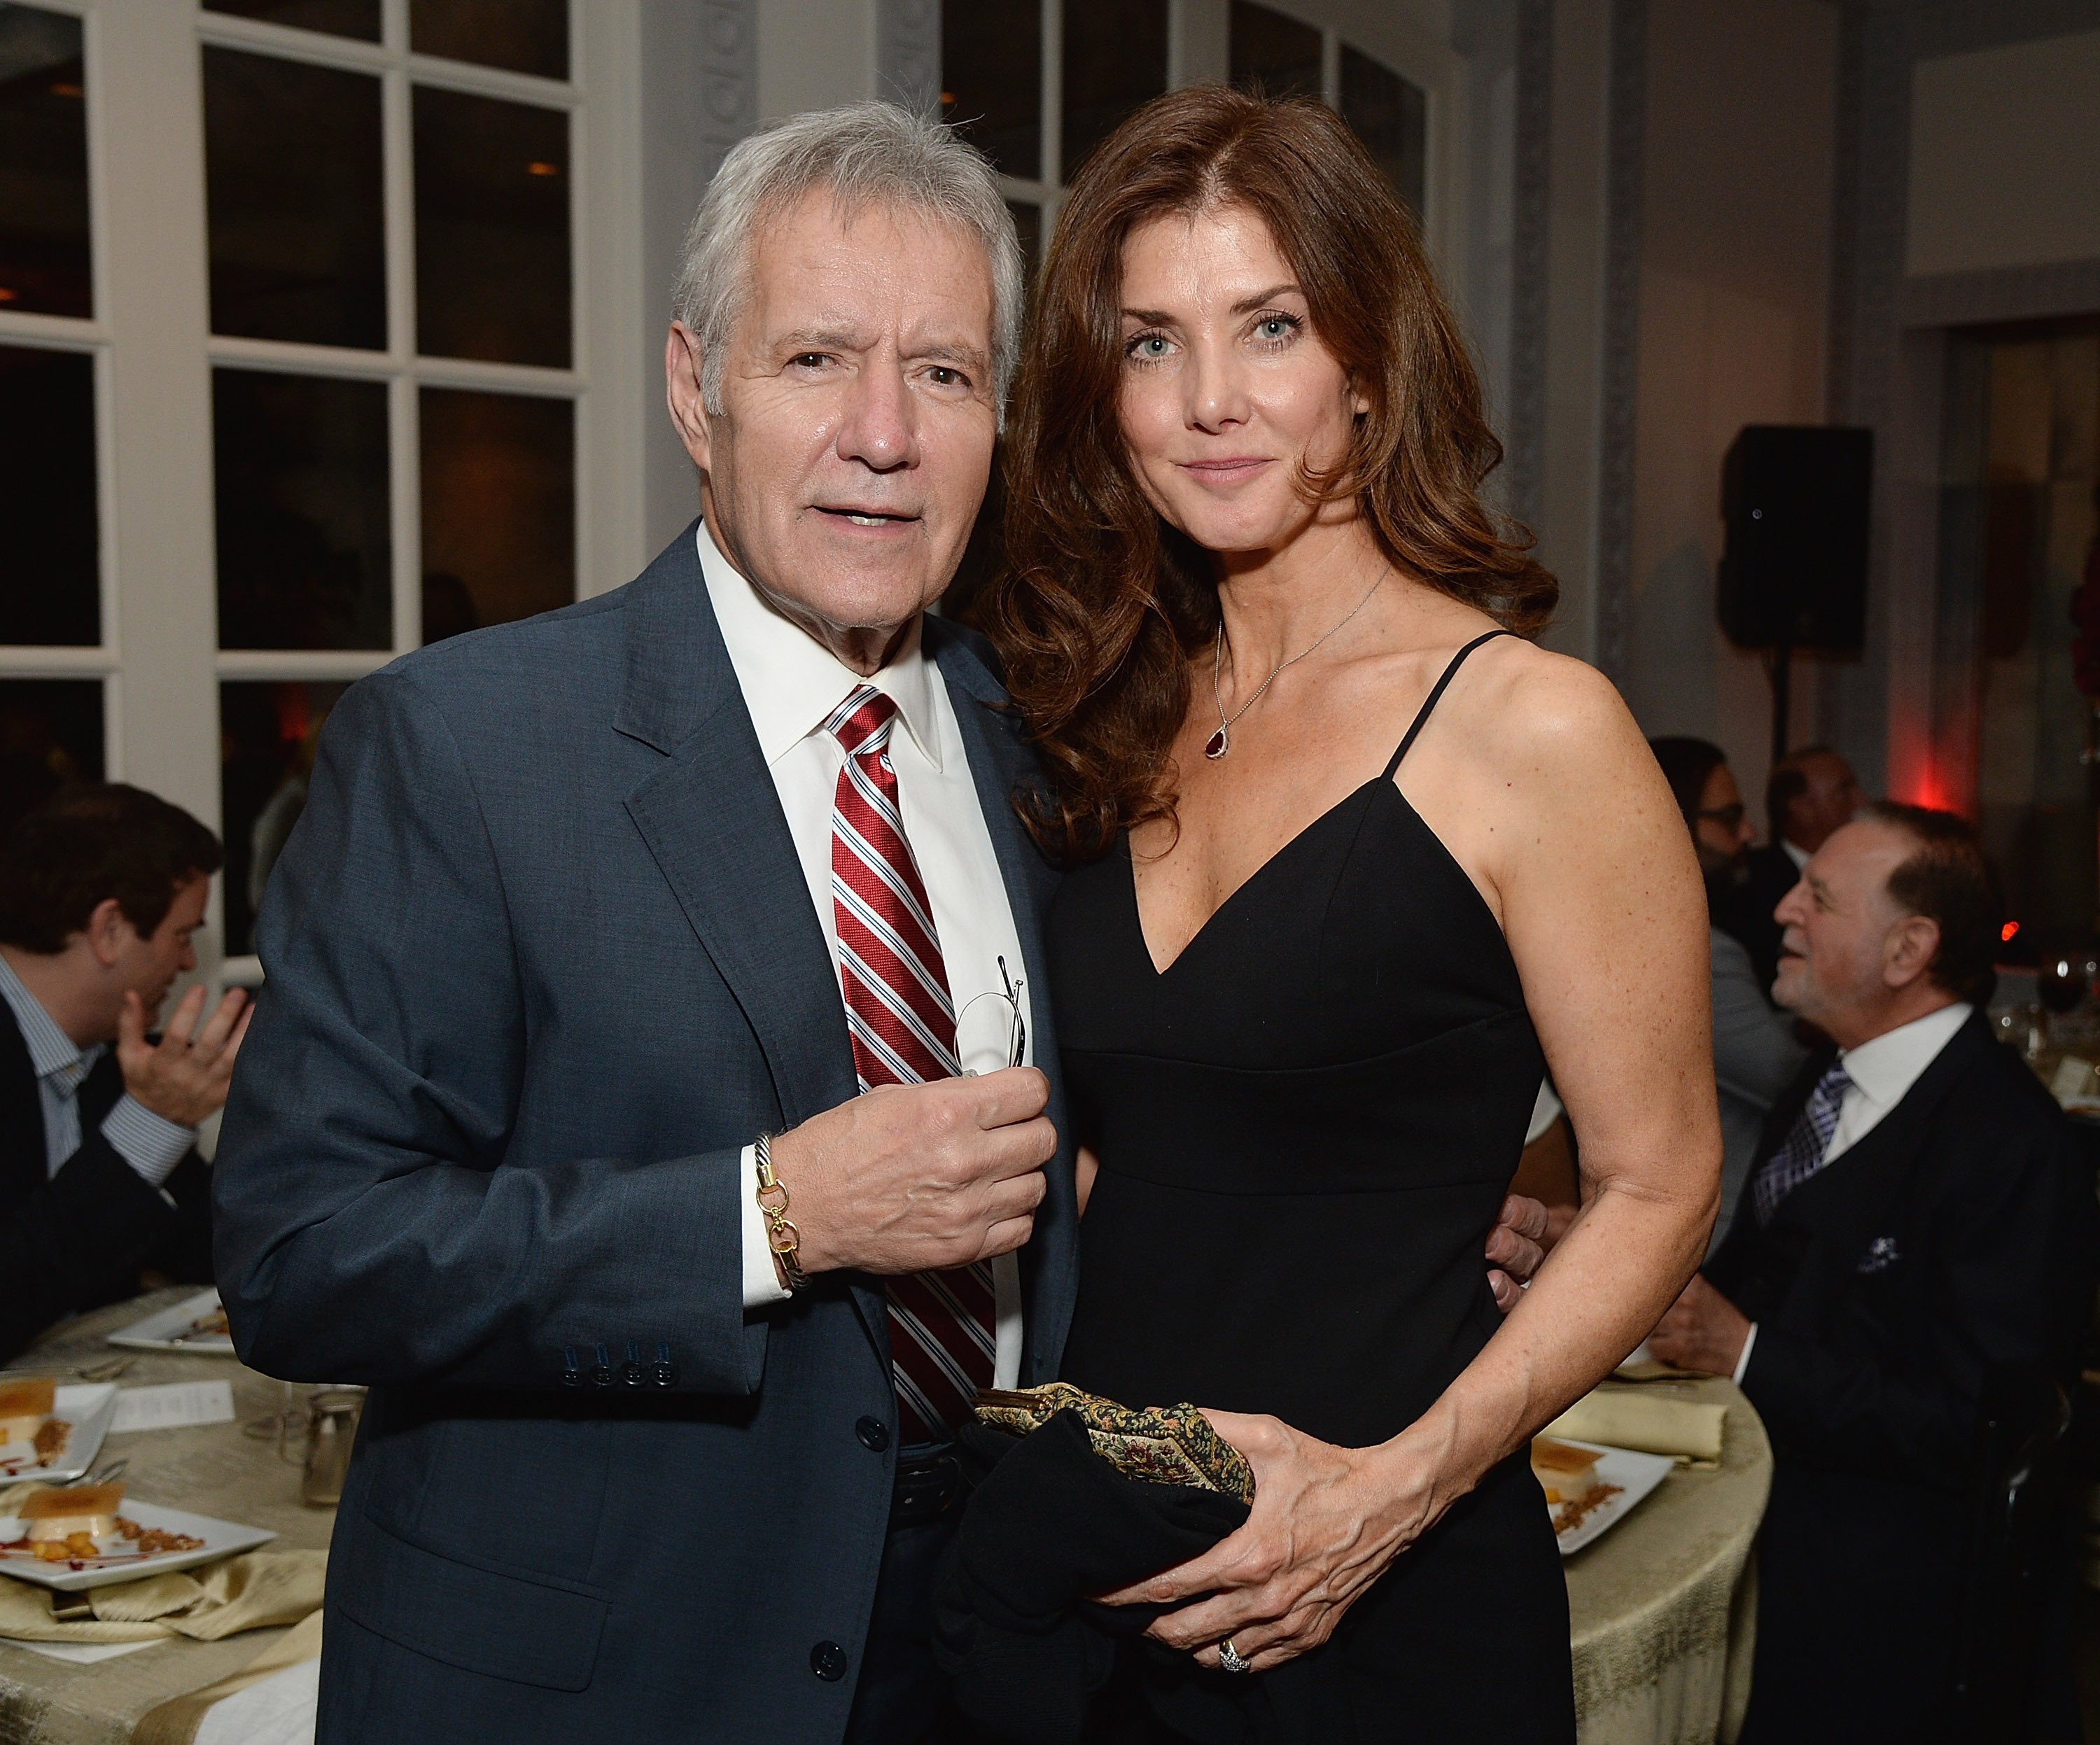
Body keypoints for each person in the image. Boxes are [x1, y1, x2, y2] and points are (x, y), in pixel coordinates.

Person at [206, 102, 1554, 1744]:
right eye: (814, 360)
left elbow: (1172, 1091)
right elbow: (300, 1257)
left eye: (942, 374)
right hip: (617, 1667)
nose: (882, 435)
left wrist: (1389, 1218)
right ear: (695, 390)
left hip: (1002, 1633)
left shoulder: (1051, 736)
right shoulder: (470, 744)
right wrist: (773, 1215)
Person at [983, 86, 1718, 1740]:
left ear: (1372, 362)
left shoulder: (1530, 727)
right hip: (1093, 1569)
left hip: (1378, 1583)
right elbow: (1122, 1142)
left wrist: (1398, 1489)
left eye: (1270, 326)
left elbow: (1661, 1180)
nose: (1210, 401)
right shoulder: (1097, 708)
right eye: (1152, 342)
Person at [1649, 802, 2096, 1744]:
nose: (1782, 912)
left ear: (1907, 951)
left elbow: (1976, 1427)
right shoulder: (1827, 1080)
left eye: (1819, 896)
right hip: (1763, 1494)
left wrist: (1749, 1354)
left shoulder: (2009, 1146)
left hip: (1883, 1595)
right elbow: (1741, 1287)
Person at [0, 784, 248, 1360]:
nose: (188, 962)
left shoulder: (115, 1057)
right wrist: (152, 1124)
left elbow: (212, 1252)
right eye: (182, 935)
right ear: (109, 930)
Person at [1650, 738, 1807, 1247]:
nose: (1749, 832)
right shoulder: (1696, 952)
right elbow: (1789, 1079)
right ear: (1667, 821)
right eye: (1728, 816)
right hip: (1722, 1240)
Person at [1718, 745, 1861, 995]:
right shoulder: (1750, 885)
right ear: (1802, 809)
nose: (1860, 801)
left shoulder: (1863, 875)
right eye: (1844, 791)